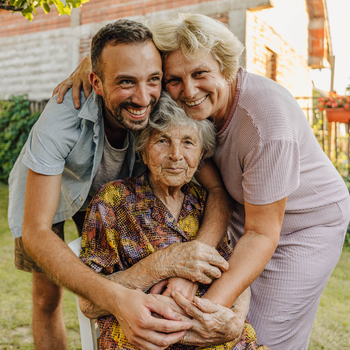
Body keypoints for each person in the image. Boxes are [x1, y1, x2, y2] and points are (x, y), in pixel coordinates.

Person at [56, 13, 350, 350]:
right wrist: (88, 66)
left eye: (200, 74)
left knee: (258, 331)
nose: (189, 90)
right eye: (174, 79)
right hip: (248, 208)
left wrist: (205, 311)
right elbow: (129, 46)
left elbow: (261, 233)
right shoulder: (193, 114)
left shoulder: (267, 124)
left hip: (303, 224)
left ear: (226, 68)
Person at [8, 19, 247, 350]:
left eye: (152, 80)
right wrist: (116, 298)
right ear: (98, 82)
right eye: (124, 82)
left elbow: (217, 190)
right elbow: (37, 232)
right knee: (47, 297)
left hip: (111, 194)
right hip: (50, 193)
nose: (142, 96)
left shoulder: (156, 96)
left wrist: (194, 257)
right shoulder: (61, 121)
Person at [78, 91, 268, 350]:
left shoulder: (204, 205)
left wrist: (235, 320)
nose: (176, 154)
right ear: (143, 150)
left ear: (201, 156)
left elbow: (233, 273)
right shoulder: (113, 202)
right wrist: (158, 267)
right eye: (162, 141)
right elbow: (89, 302)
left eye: (188, 142)